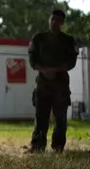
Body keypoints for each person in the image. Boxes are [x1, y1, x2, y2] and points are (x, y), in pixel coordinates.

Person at [26, 9, 79, 153]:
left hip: (60, 84)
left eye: (58, 20)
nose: (55, 22)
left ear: (62, 23)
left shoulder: (68, 41)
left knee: (60, 118)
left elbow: (71, 62)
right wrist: (44, 70)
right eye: (53, 19)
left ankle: (58, 147)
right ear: (49, 20)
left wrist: (55, 70)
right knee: (41, 116)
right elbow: (32, 59)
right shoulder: (39, 38)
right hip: (43, 83)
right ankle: (37, 146)